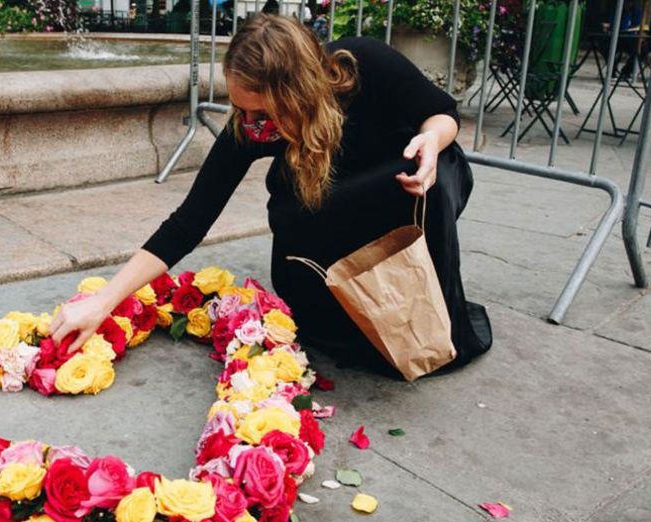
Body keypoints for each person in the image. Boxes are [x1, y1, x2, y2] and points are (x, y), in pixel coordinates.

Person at [50, 14, 492, 378]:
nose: (250, 122)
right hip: (333, 219)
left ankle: (437, 314)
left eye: (261, 111)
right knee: (292, 200)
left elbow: (442, 113)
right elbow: (190, 219)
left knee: (436, 165)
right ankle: (345, 317)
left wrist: (431, 140)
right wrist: (103, 301)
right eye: (240, 108)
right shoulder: (251, 125)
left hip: (398, 197)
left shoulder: (364, 63)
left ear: (298, 92)